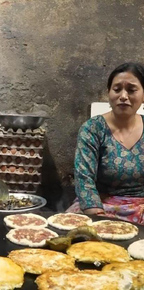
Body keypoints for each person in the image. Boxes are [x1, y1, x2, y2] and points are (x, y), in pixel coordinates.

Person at [67, 62, 144, 225]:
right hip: (101, 206)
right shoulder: (93, 129)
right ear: (109, 92)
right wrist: (98, 218)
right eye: (117, 89)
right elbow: (84, 179)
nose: (123, 96)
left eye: (131, 90)